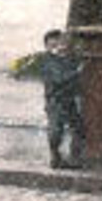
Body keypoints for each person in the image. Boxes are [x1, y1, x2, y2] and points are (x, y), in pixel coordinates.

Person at [38, 29, 84, 169]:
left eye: (59, 45)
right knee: (56, 129)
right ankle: (55, 157)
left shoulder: (67, 58)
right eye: (53, 46)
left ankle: (74, 157)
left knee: (78, 128)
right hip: (55, 100)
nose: (57, 49)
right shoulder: (48, 61)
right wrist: (77, 72)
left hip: (69, 99)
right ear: (46, 47)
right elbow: (59, 79)